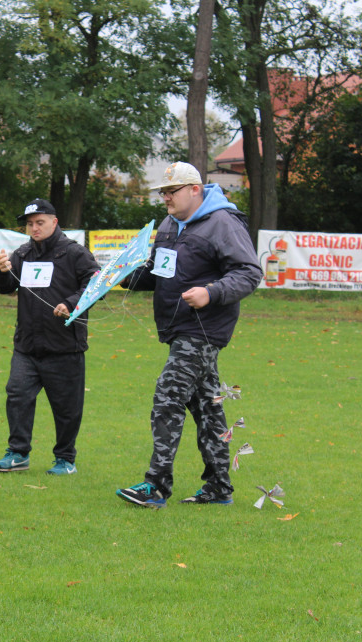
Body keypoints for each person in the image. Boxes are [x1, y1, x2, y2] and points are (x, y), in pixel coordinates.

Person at [116, 162, 261, 508]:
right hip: (176, 326)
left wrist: (211, 292)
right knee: (207, 409)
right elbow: (159, 272)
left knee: (167, 397)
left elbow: (249, 272)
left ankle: (156, 486)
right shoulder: (169, 224)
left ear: (195, 189)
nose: (165, 198)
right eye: (163, 192)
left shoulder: (222, 222)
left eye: (172, 191)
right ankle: (219, 487)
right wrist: (122, 276)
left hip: (203, 330)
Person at [0, 198, 100, 475]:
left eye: (40, 222)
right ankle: (17, 453)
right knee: (17, 396)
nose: (34, 228)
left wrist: (72, 303)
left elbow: (96, 281)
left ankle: (65, 459)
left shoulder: (74, 253)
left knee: (66, 408)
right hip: (27, 346)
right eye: (29, 224)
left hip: (64, 347)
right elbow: (4, 287)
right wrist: (0, 271)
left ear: (54, 222)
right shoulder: (23, 253)